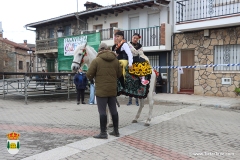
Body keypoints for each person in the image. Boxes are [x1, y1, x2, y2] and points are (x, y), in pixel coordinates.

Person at [86, 42, 122, 139]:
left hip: (101, 91)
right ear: (108, 49)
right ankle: (116, 131)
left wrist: (92, 78)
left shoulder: (96, 61)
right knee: (114, 110)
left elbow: (89, 74)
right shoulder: (115, 60)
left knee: (102, 111)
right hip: (112, 90)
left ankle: (103, 133)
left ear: (99, 50)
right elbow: (119, 75)